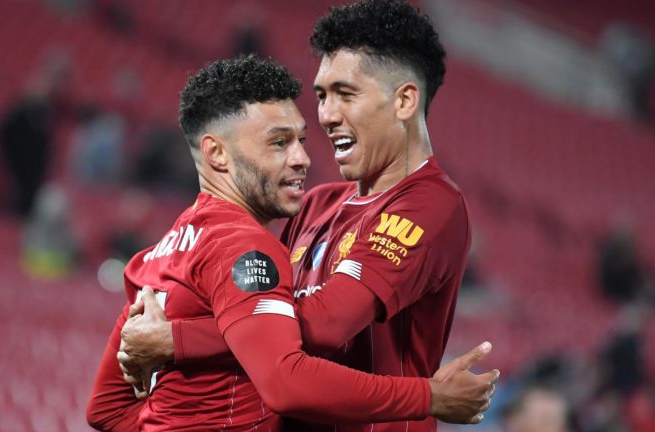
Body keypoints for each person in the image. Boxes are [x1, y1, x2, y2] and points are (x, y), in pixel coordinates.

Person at [118, 1, 494, 431]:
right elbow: (258, 315)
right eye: (322, 95)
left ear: (404, 100)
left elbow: (323, 325)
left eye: (345, 94)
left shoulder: (431, 203)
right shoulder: (317, 204)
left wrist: (176, 339)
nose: (327, 115)